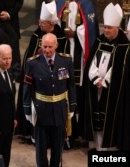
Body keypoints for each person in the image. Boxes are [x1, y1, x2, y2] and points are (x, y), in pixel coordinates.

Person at [16, 0, 70, 144]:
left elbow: (64, 64)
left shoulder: (62, 38)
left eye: (43, 22)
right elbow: (30, 57)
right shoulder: (36, 34)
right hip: (36, 81)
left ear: (51, 24)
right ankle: (32, 133)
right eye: (40, 21)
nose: (40, 24)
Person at [80, 2, 130, 151]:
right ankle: (96, 145)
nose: (106, 30)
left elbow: (120, 69)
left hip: (110, 90)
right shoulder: (99, 41)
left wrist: (106, 81)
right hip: (96, 88)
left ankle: (109, 148)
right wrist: (95, 78)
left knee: (109, 118)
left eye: (109, 28)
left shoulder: (124, 46)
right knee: (96, 117)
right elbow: (91, 62)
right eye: (105, 27)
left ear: (117, 28)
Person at [23, 33, 76, 167]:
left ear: (56, 46)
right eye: (44, 46)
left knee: (58, 147)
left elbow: (71, 85)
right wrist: (27, 110)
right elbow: (27, 88)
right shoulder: (32, 63)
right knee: (41, 148)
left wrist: (73, 106)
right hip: (41, 112)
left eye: (50, 47)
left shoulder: (66, 61)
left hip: (60, 111)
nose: (47, 50)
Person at [56, 0, 99, 148]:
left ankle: (80, 132)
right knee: (63, 89)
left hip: (79, 57)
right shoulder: (61, 2)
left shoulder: (87, 5)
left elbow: (90, 29)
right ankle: (65, 133)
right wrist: (63, 31)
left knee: (78, 95)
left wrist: (75, 33)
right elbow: (55, 24)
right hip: (63, 51)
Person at [0, 0, 23, 80]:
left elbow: (19, 2)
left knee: (14, 49)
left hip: (12, 20)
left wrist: (9, 14)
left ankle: (15, 74)